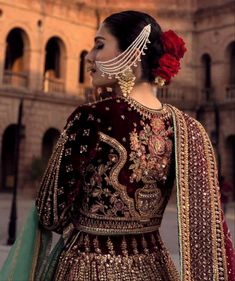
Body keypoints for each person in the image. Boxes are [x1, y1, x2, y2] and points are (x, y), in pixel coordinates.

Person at [1, 10, 235, 281]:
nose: (90, 57)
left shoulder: (93, 118)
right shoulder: (187, 128)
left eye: (100, 45)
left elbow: (51, 213)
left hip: (89, 265)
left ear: (133, 54)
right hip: (155, 267)